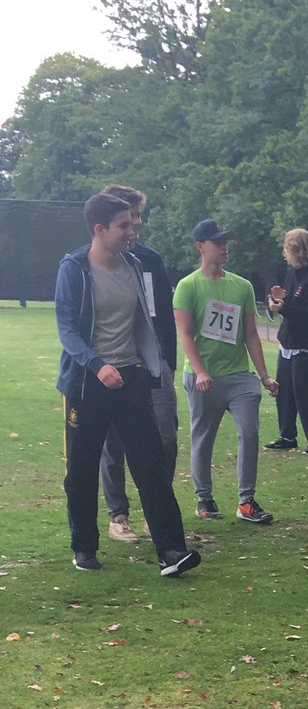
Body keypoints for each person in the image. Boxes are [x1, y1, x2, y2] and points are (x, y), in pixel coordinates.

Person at [54, 191, 201, 577]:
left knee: (150, 464)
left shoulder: (135, 265)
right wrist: (96, 364)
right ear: (99, 229)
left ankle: (172, 551)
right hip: (86, 385)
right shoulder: (74, 268)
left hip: (130, 380)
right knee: (82, 469)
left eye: (134, 223)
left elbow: (146, 322)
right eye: (124, 225)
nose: (132, 230)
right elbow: (67, 331)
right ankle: (84, 547)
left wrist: (151, 366)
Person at [172, 218, 279, 524]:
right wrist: (201, 371)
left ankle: (246, 501)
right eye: (217, 242)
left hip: (238, 376)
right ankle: (204, 498)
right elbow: (185, 334)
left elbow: (250, 335)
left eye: (225, 241)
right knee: (203, 437)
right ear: (200, 247)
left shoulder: (241, 286)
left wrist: (264, 376)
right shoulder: (188, 286)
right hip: (202, 377)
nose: (224, 247)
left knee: (250, 432)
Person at [96, 184, 179, 545]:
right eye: (130, 217)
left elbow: (163, 316)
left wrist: (167, 363)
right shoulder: (90, 261)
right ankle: (118, 514)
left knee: (165, 435)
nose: (135, 225)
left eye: (138, 218)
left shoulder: (150, 259)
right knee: (111, 441)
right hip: (114, 361)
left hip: (153, 361)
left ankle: (157, 511)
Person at [264, 228, 308, 455]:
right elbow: (287, 301)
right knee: (285, 391)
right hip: (287, 340)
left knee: (304, 391)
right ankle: (287, 435)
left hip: (304, 343)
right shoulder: (292, 273)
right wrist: (277, 302)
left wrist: (286, 308)